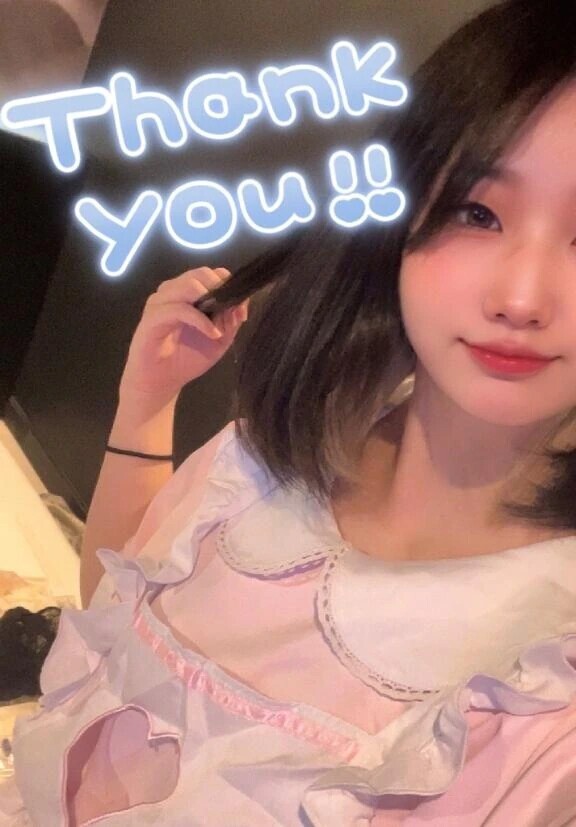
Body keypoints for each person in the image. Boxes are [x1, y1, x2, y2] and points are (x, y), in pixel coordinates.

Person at [3, 0, 576, 823]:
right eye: (477, 212)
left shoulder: (544, 683)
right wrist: (146, 404)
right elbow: (112, 621)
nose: (521, 297)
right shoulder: (272, 459)